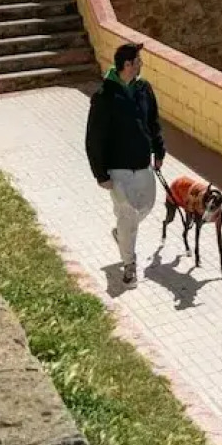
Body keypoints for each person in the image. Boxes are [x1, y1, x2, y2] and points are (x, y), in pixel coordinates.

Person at [85, 42, 165, 286]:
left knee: (147, 206)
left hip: (143, 164)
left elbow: (153, 122)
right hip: (117, 169)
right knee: (128, 212)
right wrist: (101, 174)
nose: (141, 65)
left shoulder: (144, 89)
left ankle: (122, 234)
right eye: (138, 61)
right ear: (127, 65)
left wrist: (159, 150)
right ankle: (129, 265)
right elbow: (94, 138)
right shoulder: (104, 96)